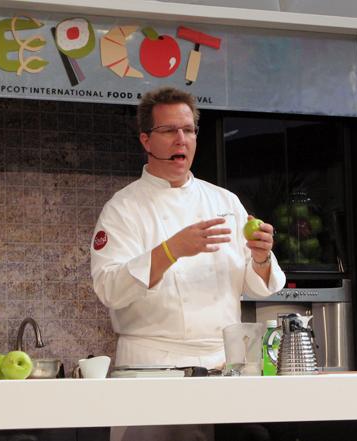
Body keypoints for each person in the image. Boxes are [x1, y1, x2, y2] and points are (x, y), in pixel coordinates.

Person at [90, 87, 286, 441]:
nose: (181, 140)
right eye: (168, 131)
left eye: (188, 130)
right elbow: (109, 288)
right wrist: (171, 250)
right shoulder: (122, 209)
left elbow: (255, 283)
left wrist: (260, 257)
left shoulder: (224, 201)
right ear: (146, 140)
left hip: (223, 365)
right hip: (151, 367)